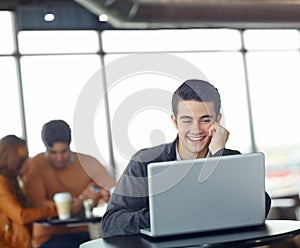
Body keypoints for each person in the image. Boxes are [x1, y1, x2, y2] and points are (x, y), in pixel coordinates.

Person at [101, 79, 271, 237]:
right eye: (187, 120)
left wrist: (218, 157)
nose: (196, 129)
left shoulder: (230, 159)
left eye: (205, 120)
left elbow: (260, 207)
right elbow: (112, 223)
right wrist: (168, 216)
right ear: (174, 122)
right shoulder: (145, 161)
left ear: (218, 120)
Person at [23, 120, 116, 248]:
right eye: (53, 153)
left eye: (64, 151)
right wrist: (69, 207)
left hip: (81, 233)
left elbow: (113, 193)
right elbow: (34, 203)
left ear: (70, 146)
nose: (59, 158)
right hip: (48, 237)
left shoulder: (87, 163)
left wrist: (93, 198)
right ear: (46, 149)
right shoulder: (36, 165)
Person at [0, 135, 57, 248]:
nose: (25, 162)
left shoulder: (11, 179)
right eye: (22, 159)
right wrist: (56, 210)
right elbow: (21, 216)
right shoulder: (1, 182)